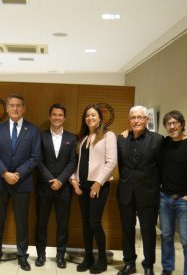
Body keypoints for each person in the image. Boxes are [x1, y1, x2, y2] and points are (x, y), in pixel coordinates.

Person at [0, 94, 41, 271]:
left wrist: (17, 174)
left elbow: (35, 157)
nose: (15, 108)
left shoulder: (32, 130)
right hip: (0, 182)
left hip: (22, 182)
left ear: (24, 108)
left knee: (22, 221)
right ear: (7, 108)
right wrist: (4, 173)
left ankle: (22, 256)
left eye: (18, 105)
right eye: (12, 105)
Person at [70, 104, 117, 274]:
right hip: (82, 185)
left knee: (94, 222)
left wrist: (98, 182)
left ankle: (102, 259)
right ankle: (88, 257)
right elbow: (79, 163)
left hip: (99, 185)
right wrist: (74, 180)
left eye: (93, 115)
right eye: (87, 115)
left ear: (100, 118)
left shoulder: (108, 135)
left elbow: (111, 162)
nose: (90, 118)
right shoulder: (83, 137)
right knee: (85, 223)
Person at [116, 105, 163, 275]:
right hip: (126, 192)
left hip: (148, 193)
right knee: (127, 229)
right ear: (129, 120)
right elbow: (121, 166)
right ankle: (129, 262)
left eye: (140, 117)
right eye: (133, 117)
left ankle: (148, 265)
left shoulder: (158, 140)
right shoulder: (121, 139)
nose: (136, 121)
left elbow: (162, 167)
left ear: (146, 120)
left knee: (148, 231)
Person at [159, 111, 187, 275]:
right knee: (166, 236)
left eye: (174, 123)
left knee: (186, 240)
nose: (172, 127)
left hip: (184, 200)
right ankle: (167, 269)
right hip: (164, 198)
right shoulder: (164, 143)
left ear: (182, 124)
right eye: (168, 124)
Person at [35, 103, 76, 269]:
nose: (57, 118)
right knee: (41, 223)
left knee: (62, 224)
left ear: (64, 118)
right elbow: (37, 159)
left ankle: (60, 256)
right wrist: (51, 180)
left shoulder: (72, 138)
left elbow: (73, 161)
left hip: (64, 188)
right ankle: (40, 255)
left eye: (60, 115)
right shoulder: (40, 136)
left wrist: (61, 180)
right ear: (50, 116)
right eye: (54, 115)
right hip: (44, 187)